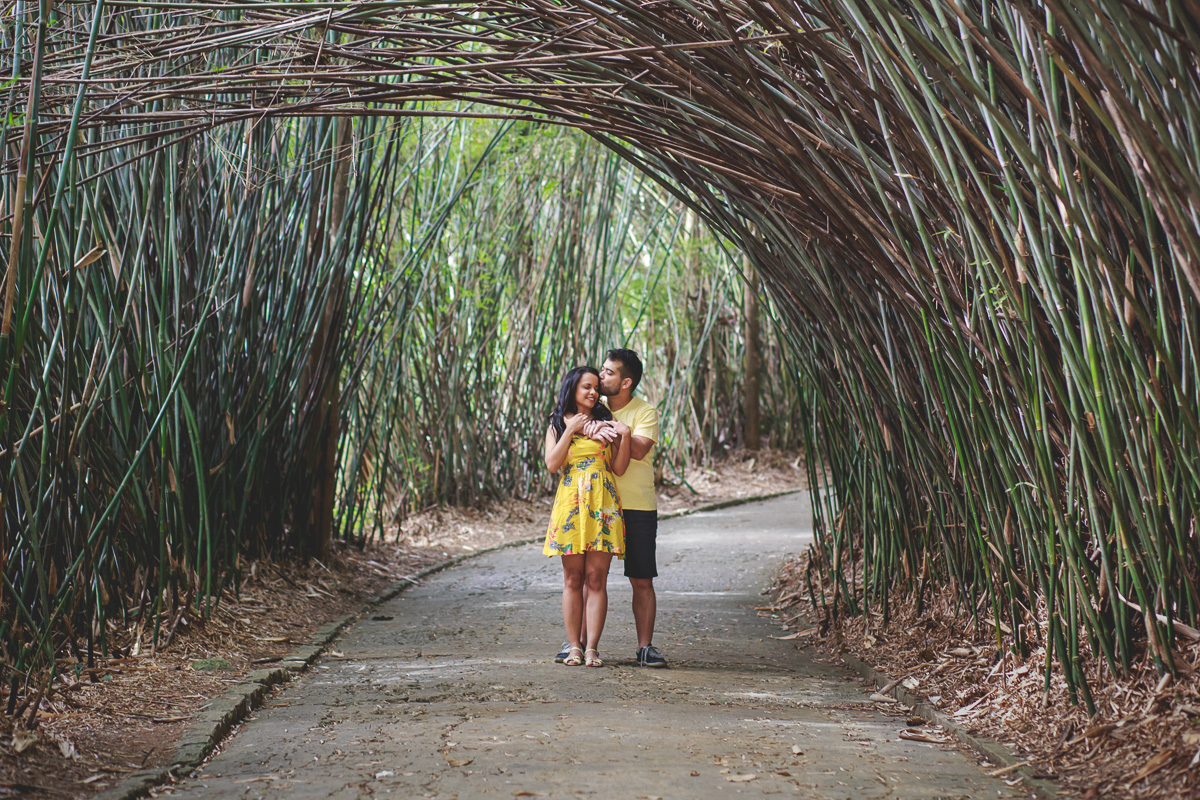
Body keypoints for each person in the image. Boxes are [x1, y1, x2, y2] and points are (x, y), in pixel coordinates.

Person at [554, 349, 667, 668]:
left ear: (626, 381)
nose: (600, 378)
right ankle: (579, 644)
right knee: (590, 578)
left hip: (636, 505)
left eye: (608, 373)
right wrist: (583, 425)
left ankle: (645, 647)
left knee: (641, 578)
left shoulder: (644, 412)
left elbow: (640, 450)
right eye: (599, 373)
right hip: (594, 507)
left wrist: (611, 430)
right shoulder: (592, 411)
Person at [543, 366, 632, 668]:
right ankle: (573, 647)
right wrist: (571, 429)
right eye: (586, 387)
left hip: (602, 503)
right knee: (573, 578)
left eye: (596, 387)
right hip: (571, 504)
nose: (594, 392)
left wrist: (626, 436)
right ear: (573, 389)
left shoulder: (607, 423)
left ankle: (592, 647)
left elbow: (619, 469)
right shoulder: (557, 422)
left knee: (597, 579)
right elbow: (553, 464)